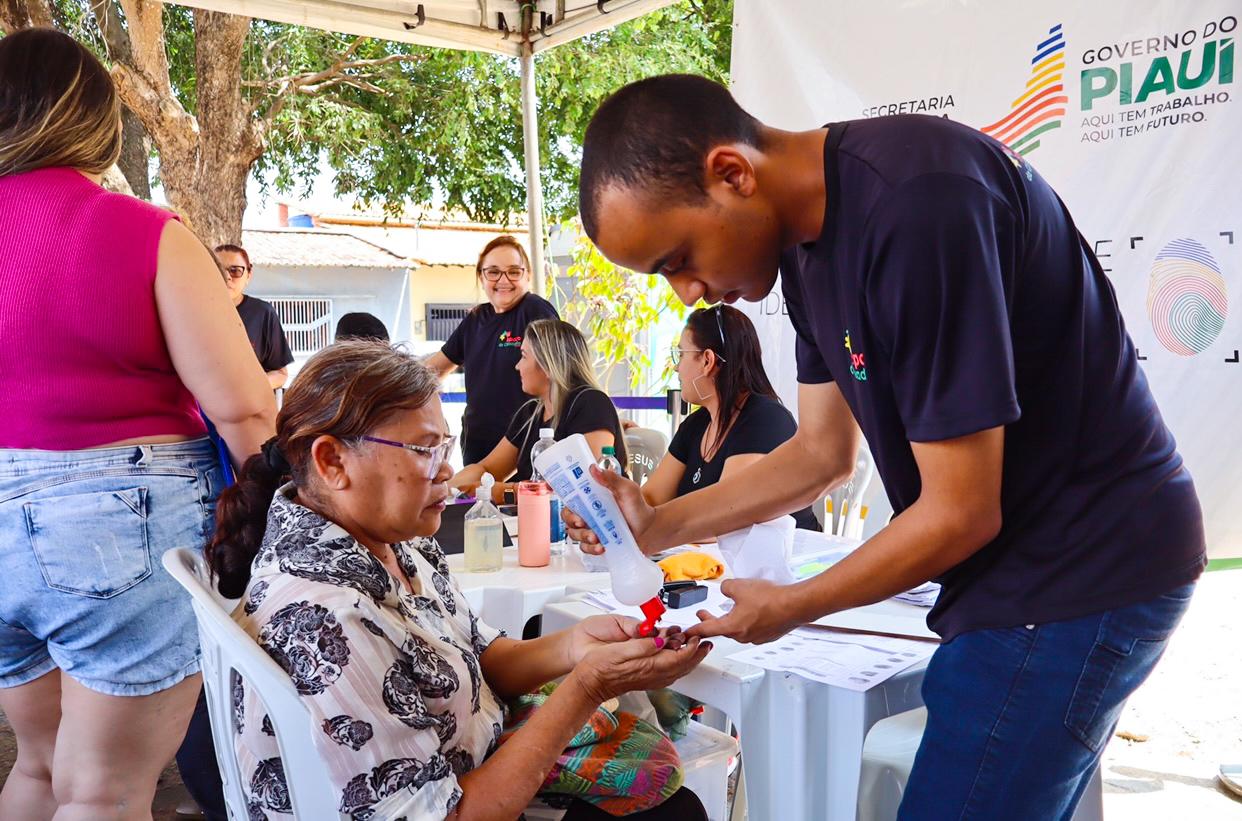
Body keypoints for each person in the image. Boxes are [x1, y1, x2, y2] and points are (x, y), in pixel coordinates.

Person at [565, 74, 1206, 819]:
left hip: (1083, 568)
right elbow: (819, 455)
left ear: (732, 173)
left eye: (677, 258)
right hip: (1024, 574)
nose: (687, 293)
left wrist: (791, 605)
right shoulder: (805, 251)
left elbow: (961, 511)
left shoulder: (917, 205)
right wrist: (655, 521)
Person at [208, 340, 710, 820]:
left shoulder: (399, 541)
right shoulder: (324, 619)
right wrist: (586, 687)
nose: (447, 469)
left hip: (471, 760)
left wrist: (578, 647)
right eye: (424, 449)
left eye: (443, 445)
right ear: (332, 460)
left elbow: (482, 656)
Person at [0, 28, 276, 820]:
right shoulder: (143, 231)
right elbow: (245, 404)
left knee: (41, 766)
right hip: (111, 519)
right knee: (106, 790)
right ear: (96, 120)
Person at [642, 304, 818, 531]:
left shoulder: (766, 420)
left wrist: (650, 524)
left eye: (681, 354)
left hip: (786, 563)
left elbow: (724, 519)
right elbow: (652, 498)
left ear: (707, 361)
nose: (676, 368)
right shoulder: (696, 424)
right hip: (718, 561)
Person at [451, 319, 626, 504]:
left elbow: (589, 485)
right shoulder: (530, 413)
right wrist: (444, 487)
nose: (517, 366)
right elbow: (487, 468)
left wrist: (506, 491)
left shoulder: (591, 403)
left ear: (547, 366)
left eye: (524, 356)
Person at [425, 235, 559, 464]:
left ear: (528, 275)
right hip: (478, 445)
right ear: (481, 276)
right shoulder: (475, 320)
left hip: (527, 445)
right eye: (493, 272)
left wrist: (599, 416)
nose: (503, 280)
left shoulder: (536, 311)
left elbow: (567, 369)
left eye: (514, 271)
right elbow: (432, 369)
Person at [215, 242, 295, 390]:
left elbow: (280, 373)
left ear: (248, 276)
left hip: (248, 407)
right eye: (218, 270)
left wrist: (249, 387)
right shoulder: (193, 311)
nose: (227, 277)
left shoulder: (263, 313)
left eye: (235, 270)